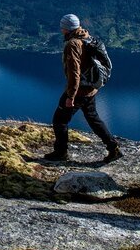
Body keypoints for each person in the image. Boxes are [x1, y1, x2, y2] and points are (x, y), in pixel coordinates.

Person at [44, 14, 122, 163]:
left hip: (79, 90)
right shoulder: (86, 36)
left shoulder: (72, 44)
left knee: (59, 120)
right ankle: (114, 148)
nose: (61, 29)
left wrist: (70, 96)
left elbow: (74, 73)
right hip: (91, 89)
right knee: (93, 118)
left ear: (66, 28)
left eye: (62, 26)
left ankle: (61, 152)